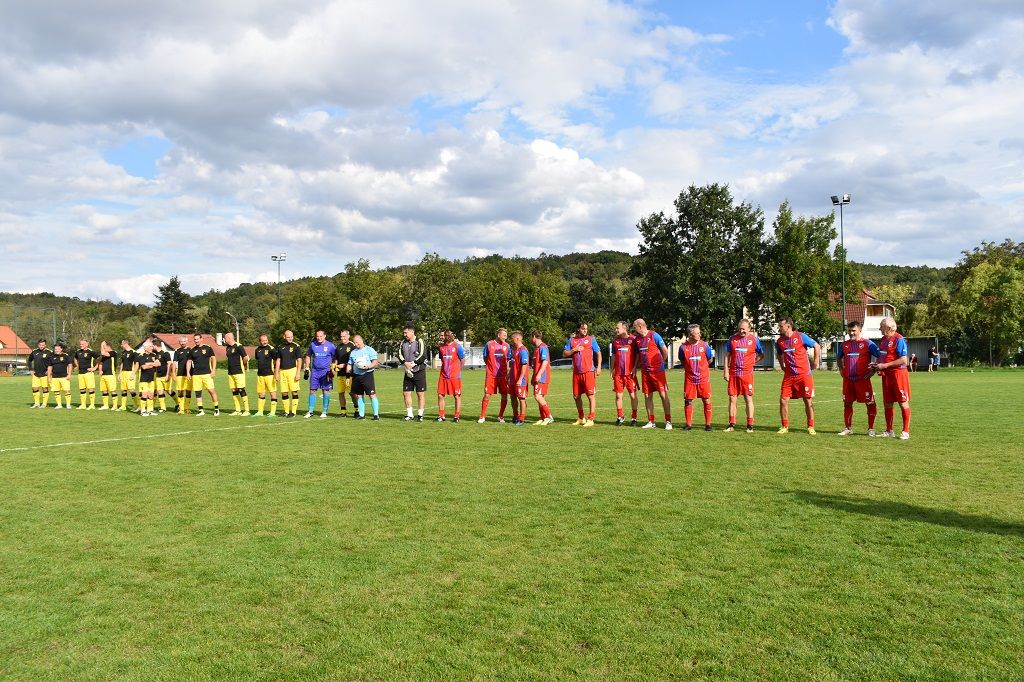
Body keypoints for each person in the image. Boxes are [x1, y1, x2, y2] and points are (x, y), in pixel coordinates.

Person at [775, 318, 820, 435]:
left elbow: (817, 346)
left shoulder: (801, 336)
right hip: (789, 376)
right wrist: (782, 366)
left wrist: (816, 362)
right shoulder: (779, 341)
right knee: (783, 400)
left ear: (788, 326)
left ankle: (811, 426)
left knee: (808, 400)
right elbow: (778, 354)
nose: (779, 328)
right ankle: (784, 426)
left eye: (780, 326)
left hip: (804, 375)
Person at [836, 320, 880, 436]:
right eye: (849, 330)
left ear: (860, 330)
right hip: (848, 380)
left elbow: (880, 356)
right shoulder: (844, 344)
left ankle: (871, 429)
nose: (851, 333)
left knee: (870, 403)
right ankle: (848, 428)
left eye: (854, 330)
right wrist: (841, 369)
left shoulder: (868, 343)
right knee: (847, 403)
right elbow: (838, 357)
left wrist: (874, 369)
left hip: (863, 380)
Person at [873, 317, 912, 439]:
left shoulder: (899, 340)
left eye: (881, 326)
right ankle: (889, 431)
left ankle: (905, 431)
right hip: (887, 376)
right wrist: (878, 365)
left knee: (902, 402)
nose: (879, 328)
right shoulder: (883, 340)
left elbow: (903, 360)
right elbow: (882, 356)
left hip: (898, 375)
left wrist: (885, 365)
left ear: (889, 328)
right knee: (887, 403)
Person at [722, 319, 763, 432]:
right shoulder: (732, 339)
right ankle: (731, 424)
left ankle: (750, 425)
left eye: (744, 329)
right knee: (732, 399)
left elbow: (761, 354)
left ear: (749, 329)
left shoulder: (754, 340)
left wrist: (753, 362)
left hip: (747, 375)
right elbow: (727, 356)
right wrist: (726, 370)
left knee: (748, 398)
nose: (741, 331)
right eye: (740, 329)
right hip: (734, 374)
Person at [633, 318, 672, 430]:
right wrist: (635, 367)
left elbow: (665, 350)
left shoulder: (654, 335)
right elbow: (638, 355)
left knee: (663, 395)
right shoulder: (637, 340)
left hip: (657, 372)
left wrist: (661, 363)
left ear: (640, 326)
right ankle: (651, 421)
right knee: (647, 396)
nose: (634, 330)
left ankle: (668, 421)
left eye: (635, 327)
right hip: (645, 372)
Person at [563, 321, 602, 427]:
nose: (585, 330)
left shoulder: (591, 339)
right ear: (578, 329)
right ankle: (581, 418)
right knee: (576, 396)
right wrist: (574, 350)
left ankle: (591, 418)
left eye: (586, 328)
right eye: (583, 328)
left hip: (588, 371)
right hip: (576, 373)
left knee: (590, 395)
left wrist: (598, 367)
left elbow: (598, 353)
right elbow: (565, 353)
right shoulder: (572, 340)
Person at [679, 324, 715, 431]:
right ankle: (688, 424)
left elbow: (710, 360)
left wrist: (702, 368)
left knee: (706, 400)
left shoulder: (705, 345)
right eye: (697, 333)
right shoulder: (683, 347)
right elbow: (683, 360)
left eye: (699, 332)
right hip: (690, 379)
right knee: (688, 401)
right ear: (690, 335)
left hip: (703, 379)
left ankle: (708, 424)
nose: (700, 334)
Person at [479, 328, 511, 423]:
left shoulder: (507, 346)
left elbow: (508, 360)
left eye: (506, 336)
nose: (505, 337)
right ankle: (482, 416)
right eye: (504, 335)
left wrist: (507, 372)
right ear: (498, 335)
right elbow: (485, 358)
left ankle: (501, 416)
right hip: (491, 375)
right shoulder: (489, 344)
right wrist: (490, 367)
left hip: (503, 375)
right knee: (487, 395)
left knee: (504, 395)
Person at [610, 321, 639, 426]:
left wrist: (635, 367)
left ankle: (634, 418)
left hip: (630, 374)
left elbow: (637, 355)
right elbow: (613, 356)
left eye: (617, 328)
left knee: (633, 395)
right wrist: (611, 369)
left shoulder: (633, 340)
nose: (616, 330)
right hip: (618, 373)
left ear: (624, 328)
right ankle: (620, 416)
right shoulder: (615, 341)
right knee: (618, 395)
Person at [347, 334, 380, 420]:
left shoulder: (369, 350)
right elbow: (350, 364)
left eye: (357, 342)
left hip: (367, 375)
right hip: (357, 376)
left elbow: (375, 362)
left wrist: (368, 366)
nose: (356, 344)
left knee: (372, 395)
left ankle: (376, 415)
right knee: (359, 395)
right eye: (354, 343)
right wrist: (348, 371)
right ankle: (362, 415)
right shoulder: (353, 352)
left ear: (361, 341)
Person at [305, 329, 336, 419]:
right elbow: (308, 355)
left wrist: (333, 368)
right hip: (315, 371)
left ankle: (325, 411)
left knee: (325, 390)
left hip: (326, 372)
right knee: (312, 390)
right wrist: (307, 367)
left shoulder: (331, 346)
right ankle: (310, 411)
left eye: (321, 336)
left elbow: (335, 357)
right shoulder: (313, 344)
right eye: (317, 336)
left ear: (325, 336)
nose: (319, 338)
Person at [187, 333, 220, 417]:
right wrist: (188, 373)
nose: (196, 341)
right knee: (198, 393)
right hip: (196, 375)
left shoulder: (208, 348)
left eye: (198, 339)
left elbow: (213, 359)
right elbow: (189, 362)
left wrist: (213, 370)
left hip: (207, 374)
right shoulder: (192, 350)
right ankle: (201, 410)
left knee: (211, 391)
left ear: (201, 339)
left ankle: (216, 409)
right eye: (195, 339)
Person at [400, 324, 427, 421]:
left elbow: (423, 355)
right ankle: (410, 414)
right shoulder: (403, 342)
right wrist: (405, 363)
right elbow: (399, 354)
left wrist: (413, 363)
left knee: (420, 394)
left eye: (406, 332)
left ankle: (420, 415)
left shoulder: (420, 341)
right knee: (406, 393)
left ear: (412, 332)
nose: (404, 335)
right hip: (408, 372)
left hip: (419, 371)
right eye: (404, 333)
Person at [436, 330, 465, 422]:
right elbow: (442, 359)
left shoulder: (457, 346)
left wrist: (457, 370)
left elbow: (463, 360)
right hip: (443, 375)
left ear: (447, 335)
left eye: (442, 335)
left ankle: (456, 416)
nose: (441, 337)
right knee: (440, 395)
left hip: (454, 376)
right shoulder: (441, 347)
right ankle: (441, 416)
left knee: (456, 395)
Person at [275, 330, 304, 418]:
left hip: (293, 371)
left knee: (294, 391)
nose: (290, 338)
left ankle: (293, 412)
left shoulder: (296, 346)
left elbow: (299, 360)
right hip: (283, 371)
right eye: (288, 337)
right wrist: (276, 372)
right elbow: (278, 360)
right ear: (284, 337)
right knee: (284, 392)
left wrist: (298, 372)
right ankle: (286, 411)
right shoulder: (280, 347)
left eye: (291, 336)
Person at [223, 332, 251, 416]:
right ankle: (238, 410)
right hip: (230, 372)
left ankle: (247, 410)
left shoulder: (239, 346)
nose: (224, 340)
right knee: (234, 390)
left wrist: (242, 365)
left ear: (229, 338)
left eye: (225, 338)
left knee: (241, 389)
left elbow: (245, 358)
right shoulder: (227, 347)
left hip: (239, 372)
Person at [253, 334, 279, 417]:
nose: (265, 342)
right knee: (261, 394)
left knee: (272, 393)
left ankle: (273, 412)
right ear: (260, 341)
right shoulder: (257, 350)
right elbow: (258, 359)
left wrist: (276, 372)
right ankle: (260, 412)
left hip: (270, 375)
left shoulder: (271, 349)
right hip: (260, 375)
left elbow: (276, 360)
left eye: (266, 340)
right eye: (263, 340)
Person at [531, 330, 554, 425]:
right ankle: (543, 417)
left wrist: (539, 374)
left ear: (533, 337)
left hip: (542, 377)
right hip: (538, 377)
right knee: (540, 397)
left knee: (538, 396)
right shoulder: (537, 348)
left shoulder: (543, 347)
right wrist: (533, 377)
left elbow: (545, 362)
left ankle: (549, 417)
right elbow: (535, 365)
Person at [508, 331, 531, 425]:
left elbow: (524, 366)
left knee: (521, 398)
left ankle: (521, 418)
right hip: (513, 379)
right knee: (513, 397)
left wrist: (520, 378)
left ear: (517, 339)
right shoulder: (513, 350)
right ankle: (515, 416)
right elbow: (513, 364)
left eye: (512, 338)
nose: (511, 340)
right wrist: (509, 375)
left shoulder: (523, 350)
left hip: (521, 379)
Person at [334, 330, 356, 417]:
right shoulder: (338, 347)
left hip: (350, 374)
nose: (342, 338)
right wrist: (334, 366)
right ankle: (343, 411)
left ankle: (356, 409)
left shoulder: (353, 346)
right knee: (341, 393)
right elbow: (336, 359)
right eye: (341, 336)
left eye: (344, 336)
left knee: (351, 393)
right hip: (340, 374)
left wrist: (345, 365)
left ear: (348, 336)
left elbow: (355, 361)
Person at [73, 338, 99, 409]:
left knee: (91, 389)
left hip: (88, 373)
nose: (81, 345)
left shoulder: (91, 351)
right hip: (80, 373)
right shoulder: (78, 352)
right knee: (82, 389)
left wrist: (95, 368)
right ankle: (83, 405)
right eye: (80, 344)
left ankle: (92, 405)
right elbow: (75, 358)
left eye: (83, 344)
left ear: (87, 344)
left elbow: (99, 359)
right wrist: (77, 365)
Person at [135, 340, 160, 416]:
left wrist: (149, 364)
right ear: (145, 348)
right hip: (144, 379)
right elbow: (144, 367)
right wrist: (152, 364)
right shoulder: (141, 356)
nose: (152, 347)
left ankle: (150, 410)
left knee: (151, 395)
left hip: (151, 378)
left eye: (152, 346)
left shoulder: (154, 355)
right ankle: (143, 411)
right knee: (144, 394)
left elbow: (158, 363)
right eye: (150, 346)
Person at [46, 342, 73, 409]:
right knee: (56, 391)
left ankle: (68, 404)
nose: (56, 350)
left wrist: (69, 374)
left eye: (58, 349)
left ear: (61, 349)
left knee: (67, 390)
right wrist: (49, 377)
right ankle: (59, 405)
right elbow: (49, 367)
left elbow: (70, 365)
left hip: (64, 377)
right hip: (55, 377)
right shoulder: (51, 357)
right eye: (55, 349)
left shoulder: (66, 356)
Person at [169, 336, 192, 413]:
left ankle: (187, 408)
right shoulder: (177, 351)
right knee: (180, 391)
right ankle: (181, 409)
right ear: (179, 342)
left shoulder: (191, 350)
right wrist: (174, 373)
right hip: (180, 374)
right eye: (181, 341)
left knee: (188, 391)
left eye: (184, 341)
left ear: (187, 341)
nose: (183, 343)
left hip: (189, 374)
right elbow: (174, 363)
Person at [28, 339, 52, 408]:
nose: (41, 346)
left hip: (45, 374)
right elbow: (29, 360)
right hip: (36, 374)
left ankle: (44, 404)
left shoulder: (49, 352)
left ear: (45, 345)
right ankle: (37, 403)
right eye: (40, 345)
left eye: (43, 345)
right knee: (34, 388)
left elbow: (53, 362)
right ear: (38, 345)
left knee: (45, 388)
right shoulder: (34, 351)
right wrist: (31, 369)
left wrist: (50, 371)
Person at [118, 339, 140, 411]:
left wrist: (134, 373)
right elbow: (122, 363)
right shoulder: (123, 352)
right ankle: (123, 406)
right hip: (124, 373)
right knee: (123, 390)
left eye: (122, 344)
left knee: (131, 390)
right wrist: (120, 373)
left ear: (126, 344)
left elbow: (137, 364)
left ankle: (138, 406)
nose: (121, 345)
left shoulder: (134, 352)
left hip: (130, 372)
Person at [96, 341, 118, 410]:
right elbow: (101, 363)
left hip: (110, 374)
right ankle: (105, 405)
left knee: (112, 390)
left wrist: (102, 345)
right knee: (104, 390)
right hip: (103, 375)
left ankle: (115, 406)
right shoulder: (104, 356)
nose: (104, 349)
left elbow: (103, 352)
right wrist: (100, 370)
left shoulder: (113, 353)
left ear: (109, 347)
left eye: (105, 348)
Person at [153, 338, 173, 412]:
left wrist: (168, 374)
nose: (152, 347)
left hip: (165, 375)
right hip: (158, 375)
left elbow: (169, 364)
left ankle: (178, 403)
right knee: (159, 392)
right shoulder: (156, 354)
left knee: (169, 391)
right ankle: (163, 408)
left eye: (152, 346)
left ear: (155, 345)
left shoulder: (165, 353)